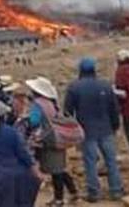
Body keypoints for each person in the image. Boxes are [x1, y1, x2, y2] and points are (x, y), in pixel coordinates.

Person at [64, 57, 124, 202]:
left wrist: (73, 131)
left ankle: (94, 193)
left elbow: (67, 112)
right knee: (111, 161)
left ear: (81, 70)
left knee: (90, 162)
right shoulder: (105, 85)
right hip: (106, 129)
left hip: (86, 131)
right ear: (94, 70)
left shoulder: (74, 87)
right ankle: (116, 191)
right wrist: (115, 126)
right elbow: (114, 109)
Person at [22, 77, 78, 205]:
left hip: (49, 140)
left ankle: (59, 199)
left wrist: (26, 118)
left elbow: (34, 121)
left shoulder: (38, 104)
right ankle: (73, 191)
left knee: (55, 170)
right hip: (59, 137)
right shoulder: (52, 102)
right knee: (60, 167)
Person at [0, 100, 41, 207]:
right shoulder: (11, 132)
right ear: (4, 116)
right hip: (14, 175)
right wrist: (34, 169)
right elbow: (22, 153)